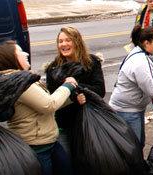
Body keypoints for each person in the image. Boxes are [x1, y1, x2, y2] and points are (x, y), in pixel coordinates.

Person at [0, 40, 86, 175]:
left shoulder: (23, 79)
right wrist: (68, 86)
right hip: (36, 147)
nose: (25, 54)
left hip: (48, 142)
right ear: (10, 58)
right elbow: (48, 105)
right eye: (20, 52)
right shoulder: (19, 83)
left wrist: (70, 100)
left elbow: (43, 105)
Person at [45, 26, 106, 155]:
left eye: (68, 40)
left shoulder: (91, 63)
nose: (64, 44)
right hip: (63, 125)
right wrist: (72, 95)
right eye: (60, 41)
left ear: (77, 42)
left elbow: (100, 90)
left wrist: (78, 87)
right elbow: (51, 97)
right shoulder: (54, 68)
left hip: (88, 123)